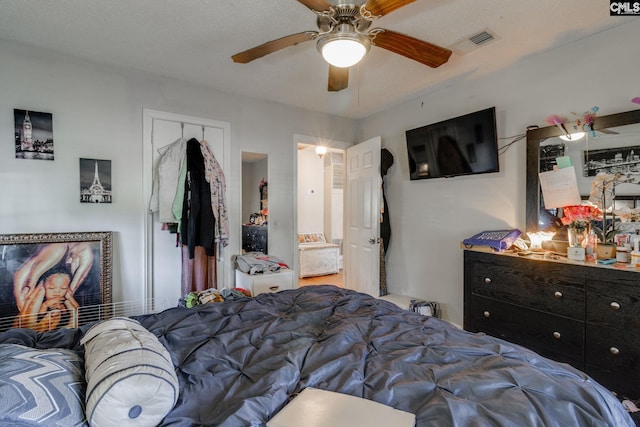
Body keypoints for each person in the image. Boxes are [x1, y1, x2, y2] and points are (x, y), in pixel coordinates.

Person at [12, 242, 93, 331]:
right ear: (42, 288)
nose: (57, 292)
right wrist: (45, 305)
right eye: (51, 288)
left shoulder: (68, 305)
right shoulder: (34, 305)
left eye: (63, 288)